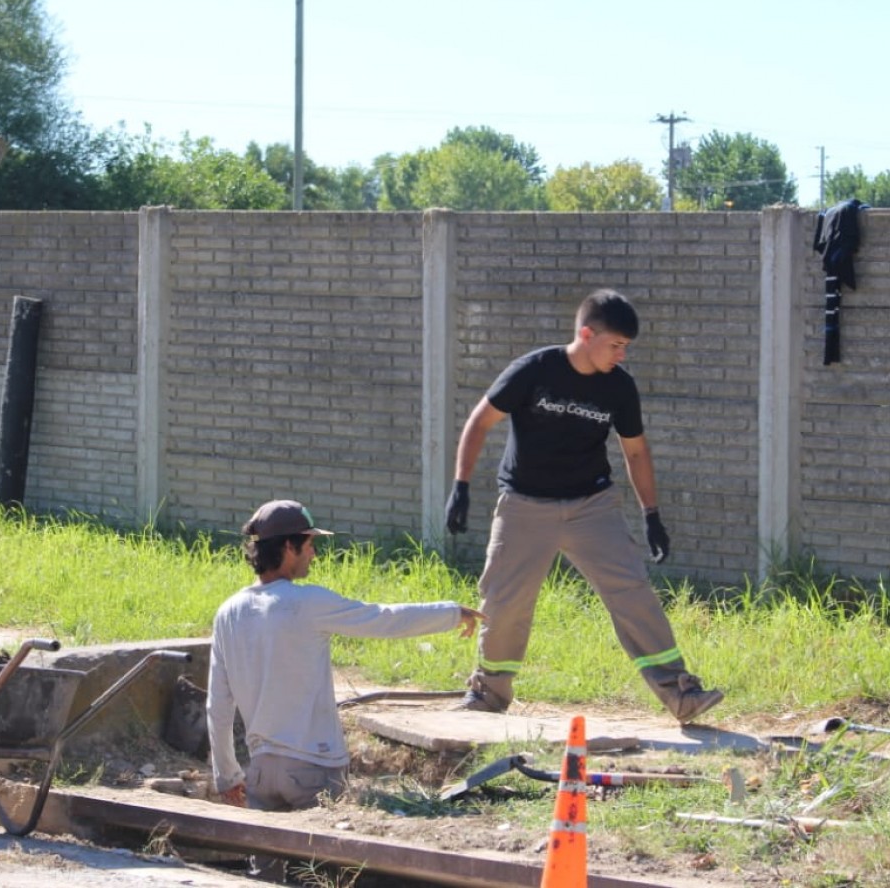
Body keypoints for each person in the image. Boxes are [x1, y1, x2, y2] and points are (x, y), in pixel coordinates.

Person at [444, 289, 723, 724]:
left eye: (626, 347)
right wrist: (461, 486)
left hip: (592, 506)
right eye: (615, 345)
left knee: (632, 592)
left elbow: (636, 452)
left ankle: (680, 693)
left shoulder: (619, 386)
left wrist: (652, 515)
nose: (621, 354)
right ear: (586, 334)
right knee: (504, 603)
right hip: (524, 506)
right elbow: (480, 421)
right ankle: (488, 695)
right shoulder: (535, 370)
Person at [207, 499, 484, 817]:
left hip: (260, 772)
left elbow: (218, 706)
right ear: (288, 547)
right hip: (313, 769)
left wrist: (227, 774)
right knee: (321, 864)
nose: (314, 553)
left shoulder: (227, 613)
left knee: (264, 864)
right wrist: (451, 613)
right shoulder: (307, 602)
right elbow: (384, 619)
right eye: (309, 544)